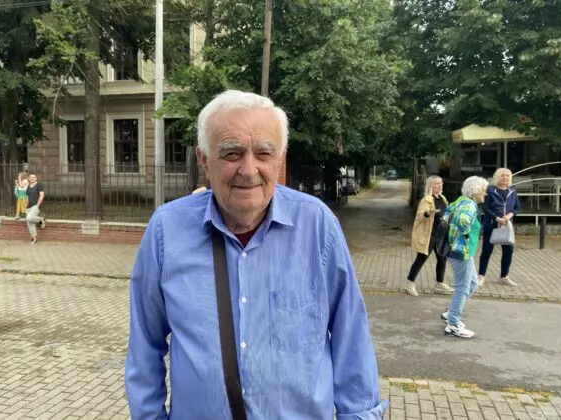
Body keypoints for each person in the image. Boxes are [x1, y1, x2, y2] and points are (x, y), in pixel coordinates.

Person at [125, 90, 388, 419]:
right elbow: (145, 346)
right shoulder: (167, 230)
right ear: (204, 160)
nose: (248, 170)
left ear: (280, 159)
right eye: (231, 153)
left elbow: (351, 338)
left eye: (264, 153)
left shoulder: (317, 225)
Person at [441, 176, 489, 339]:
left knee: (473, 284)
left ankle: (450, 313)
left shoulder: (461, 201)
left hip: (461, 251)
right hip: (461, 252)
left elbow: (446, 215)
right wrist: (465, 237)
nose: (485, 193)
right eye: (484, 190)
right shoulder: (469, 204)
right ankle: (453, 325)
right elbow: (462, 221)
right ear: (475, 191)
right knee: (462, 288)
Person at [405, 175, 454, 296]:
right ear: (430, 186)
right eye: (436, 183)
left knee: (442, 258)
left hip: (441, 234)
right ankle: (409, 284)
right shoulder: (426, 200)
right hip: (429, 235)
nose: (440, 185)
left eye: (441, 183)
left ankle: (439, 284)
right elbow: (420, 216)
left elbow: (446, 214)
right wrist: (428, 213)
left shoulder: (442, 199)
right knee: (421, 259)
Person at [478, 168, 520, 286]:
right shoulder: (490, 190)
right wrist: (497, 218)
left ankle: (504, 276)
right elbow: (485, 208)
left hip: (506, 226)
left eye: (507, 175)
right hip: (491, 224)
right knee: (487, 250)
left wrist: (510, 215)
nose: (505, 178)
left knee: (508, 250)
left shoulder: (512, 190)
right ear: (497, 177)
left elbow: (517, 208)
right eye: (502, 175)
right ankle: (481, 275)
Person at [25, 173, 45, 244]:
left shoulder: (39, 185)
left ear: (36, 178)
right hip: (28, 207)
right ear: (29, 178)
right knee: (30, 222)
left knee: (29, 218)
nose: (32, 178)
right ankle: (34, 237)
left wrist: (38, 205)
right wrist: (26, 207)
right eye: (31, 177)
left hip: (35, 206)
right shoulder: (28, 186)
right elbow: (27, 197)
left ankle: (41, 219)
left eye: (34, 177)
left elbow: (42, 195)